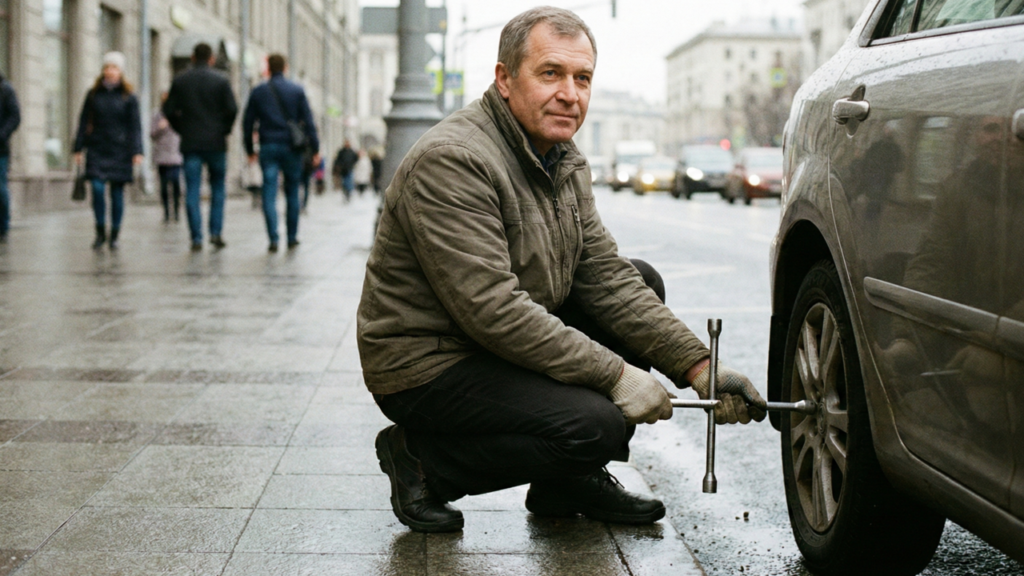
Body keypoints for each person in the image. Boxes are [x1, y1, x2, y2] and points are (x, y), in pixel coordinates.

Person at [357, 7, 767, 534]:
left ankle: (563, 481)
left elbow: (606, 275)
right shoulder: (454, 159)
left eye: (583, 78)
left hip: (486, 340)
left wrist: (697, 366)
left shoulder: (559, 155)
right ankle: (421, 460)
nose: (570, 93)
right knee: (594, 426)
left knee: (641, 281)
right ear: (504, 79)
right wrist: (617, 377)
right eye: (550, 73)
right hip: (428, 363)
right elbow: (493, 310)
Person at [163, 42, 238, 252]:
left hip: (191, 143)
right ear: (212, 58)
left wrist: (182, 129)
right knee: (218, 189)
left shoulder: (180, 80)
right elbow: (232, 109)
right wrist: (224, 129)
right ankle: (215, 233)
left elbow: (168, 110)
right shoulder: (221, 81)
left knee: (192, 190)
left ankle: (196, 237)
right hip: (216, 144)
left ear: (193, 57)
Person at [242, 53, 320, 252]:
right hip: (291, 148)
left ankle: (273, 238)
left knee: (268, 191)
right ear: (285, 68)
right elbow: (309, 122)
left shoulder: (259, 91)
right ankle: (292, 237)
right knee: (292, 190)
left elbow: (248, 122)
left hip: (268, 146)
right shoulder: (296, 90)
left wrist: (250, 149)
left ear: (268, 67)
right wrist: (315, 149)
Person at [73, 51, 143, 250]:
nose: (110, 71)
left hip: (121, 151)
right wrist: (78, 147)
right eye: (107, 67)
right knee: (96, 188)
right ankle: (99, 231)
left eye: (114, 67)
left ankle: (115, 234)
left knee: (117, 194)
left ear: (120, 71)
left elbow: (135, 126)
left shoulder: (129, 97)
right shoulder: (93, 94)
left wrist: (137, 151)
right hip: (97, 148)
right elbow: (83, 120)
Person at [151, 91, 183, 222]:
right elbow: (152, 133)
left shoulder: (180, 113)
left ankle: (176, 211)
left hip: (176, 154)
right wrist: (160, 127)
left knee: (176, 184)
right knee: (164, 186)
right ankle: (166, 213)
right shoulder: (157, 115)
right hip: (161, 156)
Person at [0, 70, 20, 243]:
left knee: (0, 188)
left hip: (0, 149)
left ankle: (3, 225)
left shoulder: (5, 89)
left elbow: (15, 116)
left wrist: (2, 134)